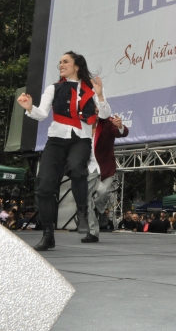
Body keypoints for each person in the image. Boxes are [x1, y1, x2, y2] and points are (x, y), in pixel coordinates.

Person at [17, 51, 111, 250]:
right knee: (44, 186)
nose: (61, 64)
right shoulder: (54, 88)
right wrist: (29, 107)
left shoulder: (90, 89)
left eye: (65, 61)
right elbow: (41, 114)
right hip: (56, 140)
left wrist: (100, 94)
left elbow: (104, 114)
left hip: (80, 140)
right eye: (59, 62)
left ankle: (83, 213)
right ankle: (48, 235)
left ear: (76, 66)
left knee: (77, 168)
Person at [85, 113, 129, 243]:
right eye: (94, 108)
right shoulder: (82, 124)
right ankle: (93, 233)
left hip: (105, 167)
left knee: (102, 193)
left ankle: (101, 210)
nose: (96, 111)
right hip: (87, 168)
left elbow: (122, 132)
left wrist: (120, 126)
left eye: (99, 108)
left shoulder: (107, 122)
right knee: (86, 201)